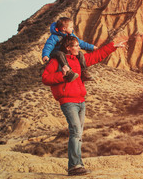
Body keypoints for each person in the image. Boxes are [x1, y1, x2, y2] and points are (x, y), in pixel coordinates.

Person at [42, 35, 126, 176]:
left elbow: (97, 56)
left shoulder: (79, 60)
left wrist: (112, 46)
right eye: (75, 45)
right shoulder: (57, 61)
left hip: (81, 101)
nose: (79, 47)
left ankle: (77, 165)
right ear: (68, 47)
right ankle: (75, 166)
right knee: (75, 132)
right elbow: (45, 78)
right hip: (68, 102)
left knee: (78, 134)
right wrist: (62, 76)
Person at [42, 17, 98, 82]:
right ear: (64, 28)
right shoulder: (55, 37)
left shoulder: (71, 35)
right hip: (55, 53)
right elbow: (48, 46)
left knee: (80, 53)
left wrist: (92, 47)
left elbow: (80, 43)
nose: (72, 29)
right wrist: (45, 55)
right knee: (60, 53)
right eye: (71, 27)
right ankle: (68, 72)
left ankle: (83, 72)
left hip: (65, 52)